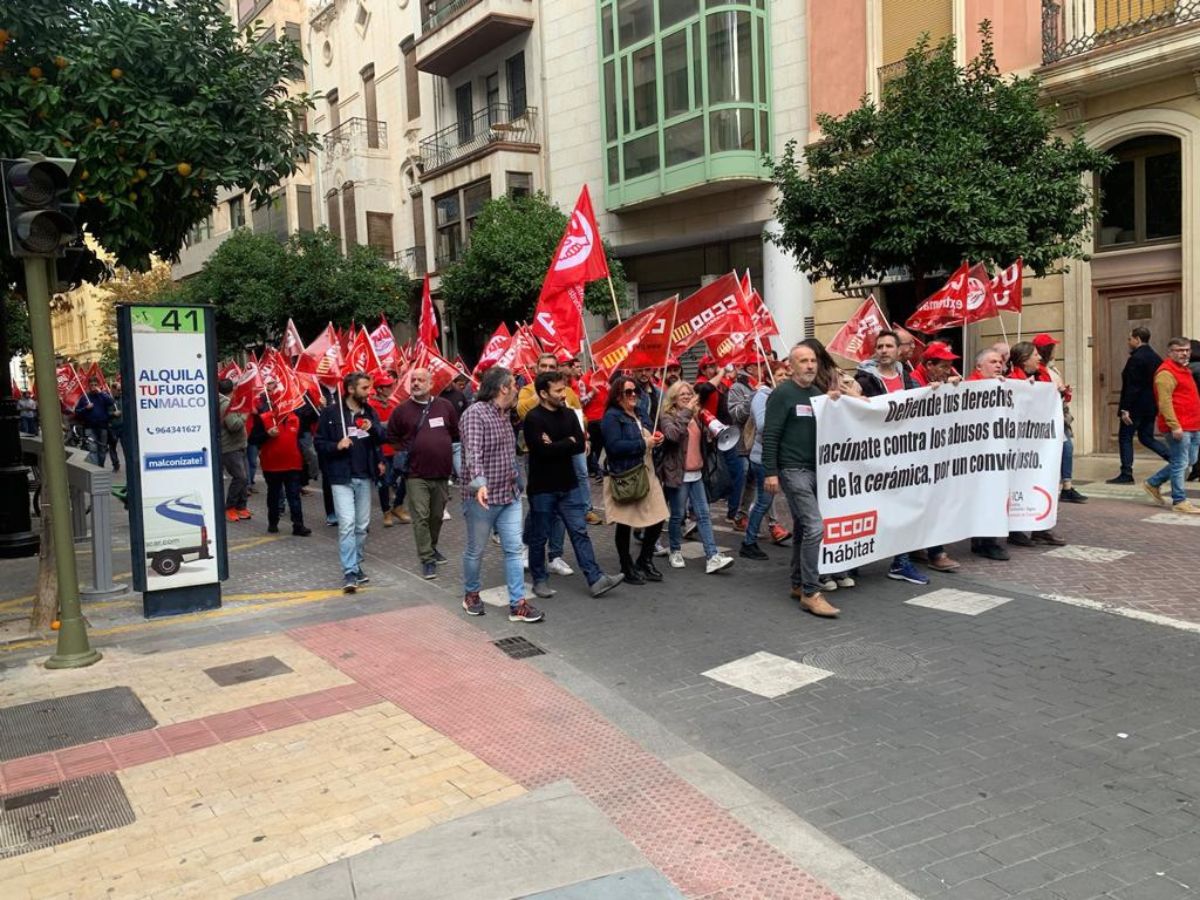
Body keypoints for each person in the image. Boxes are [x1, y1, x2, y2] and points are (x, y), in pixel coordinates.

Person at [523, 370, 624, 599]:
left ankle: (596, 578)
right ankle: (540, 580)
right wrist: (566, 442)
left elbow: (580, 445)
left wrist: (559, 443)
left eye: (563, 389)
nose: (563, 394)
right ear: (543, 393)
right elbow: (542, 451)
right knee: (540, 536)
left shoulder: (569, 414)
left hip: (568, 485)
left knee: (579, 531)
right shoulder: (533, 419)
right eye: (557, 390)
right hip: (542, 488)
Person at [460, 366, 543, 622]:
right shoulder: (475, 414)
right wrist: (480, 483)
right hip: (481, 498)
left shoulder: (506, 414)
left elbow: (508, 453)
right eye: (514, 385)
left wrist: (518, 482)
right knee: (476, 550)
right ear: (502, 388)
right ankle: (471, 594)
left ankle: (517, 604)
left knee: (514, 549)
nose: (517, 388)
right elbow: (473, 451)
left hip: (509, 495)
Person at [762, 343, 840, 617]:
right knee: (815, 527)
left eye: (813, 361)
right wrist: (770, 471)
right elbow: (770, 435)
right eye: (803, 361)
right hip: (793, 470)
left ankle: (797, 584)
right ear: (791, 366)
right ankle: (810, 592)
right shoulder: (782, 394)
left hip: (815, 469)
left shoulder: (817, 394)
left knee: (803, 527)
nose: (810, 365)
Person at [852, 331, 930, 585]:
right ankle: (853, 561)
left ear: (899, 351)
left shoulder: (908, 379)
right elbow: (847, 403)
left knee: (903, 510)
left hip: (904, 455)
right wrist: (854, 397)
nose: (884, 350)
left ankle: (901, 563)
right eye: (880, 346)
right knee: (869, 509)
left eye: (889, 346)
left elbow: (925, 404)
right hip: (873, 456)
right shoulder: (863, 379)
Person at [387, 368, 459, 580]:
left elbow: (454, 433)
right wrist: (410, 449)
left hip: (441, 473)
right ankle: (427, 558)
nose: (416, 383)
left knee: (436, 516)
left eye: (421, 380)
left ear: (430, 384)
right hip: (415, 474)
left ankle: (432, 547)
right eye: (413, 380)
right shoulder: (401, 411)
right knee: (421, 516)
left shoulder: (445, 406)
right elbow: (392, 437)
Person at [315, 371, 385, 593]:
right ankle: (350, 571)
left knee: (362, 526)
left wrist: (372, 429)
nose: (369, 392)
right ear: (351, 389)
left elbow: (381, 438)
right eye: (364, 388)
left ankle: (356, 562)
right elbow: (318, 443)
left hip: (364, 475)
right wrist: (336, 446)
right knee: (347, 524)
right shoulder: (330, 413)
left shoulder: (369, 412)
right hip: (341, 477)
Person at [658, 380, 736, 575]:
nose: (687, 397)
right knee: (677, 516)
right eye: (682, 394)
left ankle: (712, 556)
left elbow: (702, 443)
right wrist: (687, 414)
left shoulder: (698, 416)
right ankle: (675, 550)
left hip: (697, 473)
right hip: (679, 474)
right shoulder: (668, 416)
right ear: (674, 398)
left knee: (703, 515)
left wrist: (711, 434)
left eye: (689, 393)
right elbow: (673, 435)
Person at [601, 374, 669, 585]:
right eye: (628, 392)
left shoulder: (640, 412)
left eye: (635, 391)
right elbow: (614, 447)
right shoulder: (612, 417)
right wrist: (644, 443)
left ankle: (645, 560)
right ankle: (626, 564)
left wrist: (657, 439)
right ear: (617, 395)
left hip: (647, 473)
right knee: (625, 523)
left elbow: (650, 435)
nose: (633, 396)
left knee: (659, 517)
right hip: (626, 475)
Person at [517, 353, 581, 575]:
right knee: (540, 506)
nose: (547, 369)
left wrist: (572, 438)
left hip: (563, 459)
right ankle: (528, 546)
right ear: (536, 369)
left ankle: (556, 555)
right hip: (536, 457)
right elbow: (523, 410)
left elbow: (578, 417)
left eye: (551, 366)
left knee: (560, 510)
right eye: (542, 366)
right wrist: (542, 394)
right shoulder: (527, 391)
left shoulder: (567, 391)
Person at [1143, 337, 1200, 515]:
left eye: (1187, 350)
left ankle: (1153, 483)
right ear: (1170, 352)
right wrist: (1174, 426)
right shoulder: (1166, 373)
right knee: (1181, 463)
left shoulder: (1185, 370)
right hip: (1179, 426)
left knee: (1187, 461)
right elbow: (1164, 402)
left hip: (1193, 424)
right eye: (1179, 350)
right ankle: (1179, 500)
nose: (1184, 353)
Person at [1108, 326, 1169, 484]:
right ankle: (1174, 459)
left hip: (1135, 407)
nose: (1129, 342)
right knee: (1146, 437)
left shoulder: (1136, 358)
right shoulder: (1156, 357)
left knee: (1125, 437)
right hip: (1151, 406)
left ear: (1137, 339)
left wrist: (1125, 409)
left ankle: (1126, 473)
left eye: (1130, 338)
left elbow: (1133, 386)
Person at [1032, 334, 1086, 504]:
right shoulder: (1039, 370)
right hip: (1047, 416)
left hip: (1059, 413)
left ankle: (1067, 486)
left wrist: (1064, 392)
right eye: (1052, 346)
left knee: (1067, 447)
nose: (1056, 349)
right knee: (1065, 447)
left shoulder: (1053, 369)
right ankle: (1061, 486)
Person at [257, 404, 312, 537]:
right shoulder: (264, 418)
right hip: (272, 466)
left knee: (294, 496)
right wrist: (267, 434)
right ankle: (273, 522)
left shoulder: (296, 418)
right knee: (274, 496)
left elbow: (307, 430)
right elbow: (253, 439)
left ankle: (298, 525)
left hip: (293, 464)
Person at [217, 378, 250, 523]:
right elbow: (234, 425)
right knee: (240, 477)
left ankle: (241, 507)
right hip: (230, 447)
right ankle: (230, 507)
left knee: (244, 478)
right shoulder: (225, 405)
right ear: (233, 389)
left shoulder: (230, 402)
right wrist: (245, 414)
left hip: (238, 445)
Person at [74, 376, 115, 468]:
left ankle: (100, 465)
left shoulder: (103, 396)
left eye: (95, 385)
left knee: (103, 448)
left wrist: (101, 393)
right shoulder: (85, 397)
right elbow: (77, 412)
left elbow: (111, 402)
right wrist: (86, 408)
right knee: (93, 449)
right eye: (91, 385)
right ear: (88, 386)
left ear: (99, 385)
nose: (93, 386)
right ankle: (95, 468)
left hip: (102, 426)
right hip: (90, 427)